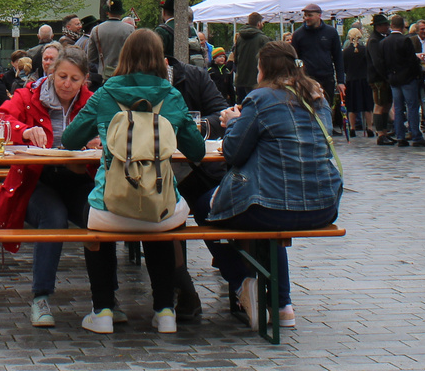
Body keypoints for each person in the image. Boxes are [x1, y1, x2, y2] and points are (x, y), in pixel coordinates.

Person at [60, 29, 206, 335]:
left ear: (123, 56)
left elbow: (71, 139)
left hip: (110, 205)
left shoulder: (105, 94)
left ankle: (102, 311)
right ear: (160, 60)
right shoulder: (172, 96)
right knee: (165, 218)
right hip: (159, 203)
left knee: (94, 222)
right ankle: (164, 310)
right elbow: (197, 151)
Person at [200, 40, 342, 331]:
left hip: (272, 207)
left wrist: (233, 121)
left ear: (261, 68)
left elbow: (234, 153)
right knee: (269, 212)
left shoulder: (260, 98)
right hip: (324, 205)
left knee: (204, 207)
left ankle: (242, 283)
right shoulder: (317, 96)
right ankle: (282, 304)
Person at [0, 48, 97, 328]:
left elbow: (117, 131)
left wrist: (101, 140)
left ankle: (105, 301)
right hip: (35, 181)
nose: (67, 84)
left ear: (84, 80)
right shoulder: (27, 97)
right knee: (54, 217)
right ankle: (41, 297)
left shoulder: (93, 102)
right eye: (62, 76)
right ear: (51, 73)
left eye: (74, 79)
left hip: (78, 178)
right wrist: (23, 131)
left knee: (99, 215)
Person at [163, 47, 232, 320]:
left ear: (165, 61)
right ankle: (183, 289)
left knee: (209, 206)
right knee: (162, 208)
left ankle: (236, 276)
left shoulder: (193, 77)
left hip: (197, 170)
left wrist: (198, 126)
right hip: (152, 174)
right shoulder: (129, 84)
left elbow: (222, 113)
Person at [289, 4, 344, 131]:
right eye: (305, 16)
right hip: (307, 78)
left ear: (319, 16)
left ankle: (327, 132)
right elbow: (293, 59)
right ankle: (312, 132)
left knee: (326, 107)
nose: (306, 18)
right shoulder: (298, 35)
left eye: (310, 16)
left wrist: (340, 81)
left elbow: (338, 58)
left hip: (327, 77)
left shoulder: (331, 32)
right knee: (308, 107)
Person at [382, 15, 425, 147]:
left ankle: (400, 136)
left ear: (392, 26)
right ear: (403, 26)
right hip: (407, 79)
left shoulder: (385, 42)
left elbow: (383, 62)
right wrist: (417, 72)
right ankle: (415, 135)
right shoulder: (405, 41)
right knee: (412, 107)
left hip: (393, 78)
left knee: (398, 108)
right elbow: (411, 61)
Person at [86, 4, 137, 86]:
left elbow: (91, 57)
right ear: (121, 13)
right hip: (125, 74)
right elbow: (136, 54)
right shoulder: (130, 29)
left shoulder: (96, 30)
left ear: (107, 12)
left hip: (104, 77)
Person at [365, 14, 395, 145]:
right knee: (379, 105)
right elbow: (377, 61)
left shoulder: (380, 38)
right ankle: (381, 133)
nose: (387, 27)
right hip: (378, 78)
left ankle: (384, 131)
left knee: (386, 104)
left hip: (382, 77)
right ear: (378, 26)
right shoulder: (374, 41)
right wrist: (386, 75)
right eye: (385, 25)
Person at [233, 11, 270, 104]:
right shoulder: (263, 39)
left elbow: (235, 58)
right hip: (256, 80)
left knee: (241, 108)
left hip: (241, 79)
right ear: (259, 23)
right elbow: (269, 60)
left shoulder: (240, 38)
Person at [341, 28, 370, 135]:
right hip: (364, 80)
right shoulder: (365, 50)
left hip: (351, 80)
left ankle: (352, 128)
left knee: (352, 106)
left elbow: (343, 68)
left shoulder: (345, 52)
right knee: (367, 105)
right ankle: (370, 127)